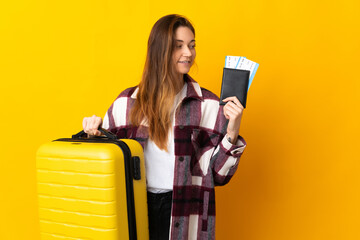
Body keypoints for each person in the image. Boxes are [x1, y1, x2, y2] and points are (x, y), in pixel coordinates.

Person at [83, 14, 246, 240]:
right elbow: (103, 171)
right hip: (136, 207)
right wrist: (93, 134)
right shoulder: (125, 104)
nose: (188, 53)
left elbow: (219, 176)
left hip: (186, 210)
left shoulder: (209, 105)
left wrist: (232, 131)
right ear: (160, 51)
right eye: (178, 46)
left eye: (192, 45)